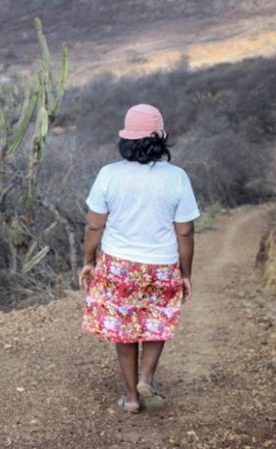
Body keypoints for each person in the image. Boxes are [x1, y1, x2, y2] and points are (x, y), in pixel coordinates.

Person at [80, 103, 200, 413]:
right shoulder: (177, 177)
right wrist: (185, 273)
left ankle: (132, 398)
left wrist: (88, 260)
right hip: (161, 265)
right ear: (160, 138)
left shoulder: (109, 174)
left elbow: (95, 224)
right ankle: (147, 376)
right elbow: (185, 232)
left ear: (127, 140)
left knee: (124, 330)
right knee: (156, 321)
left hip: (119, 265)